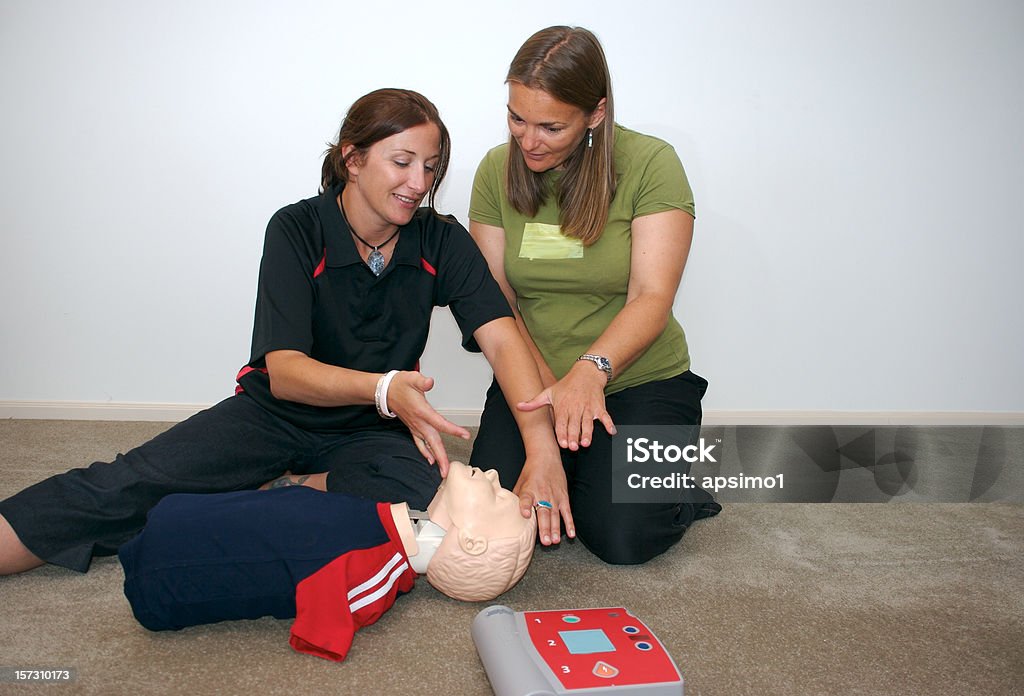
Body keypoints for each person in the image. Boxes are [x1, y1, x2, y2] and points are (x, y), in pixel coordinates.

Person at [0, 88, 560, 576]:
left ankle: (290, 488)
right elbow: (288, 374)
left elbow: (503, 338)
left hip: (376, 433)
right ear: (353, 158)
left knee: (439, 514)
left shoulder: (440, 240)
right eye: (402, 162)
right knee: (130, 486)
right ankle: (268, 485)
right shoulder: (296, 228)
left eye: (431, 167)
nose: (420, 183)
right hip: (275, 415)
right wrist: (384, 388)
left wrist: (541, 452)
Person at [468, 27, 721, 565]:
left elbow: (652, 297)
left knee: (622, 537)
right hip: (533, 379)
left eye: (551, 126)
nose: (528, 140)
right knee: (496, 526)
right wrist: (543, 431)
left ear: (596, 114)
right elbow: (497, 306)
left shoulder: (652, 163)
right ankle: (582, 464)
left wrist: (589, 372)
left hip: (636, 379)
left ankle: (674, 486)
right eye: (517, 118)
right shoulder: (495, 170)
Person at [118, 461, 535, 662]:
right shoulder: (387, 525)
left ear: (473, 542)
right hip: (183, 518)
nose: (496, 475)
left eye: (497, 496)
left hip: (164, 569)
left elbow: (320, 632)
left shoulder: (380, 570)